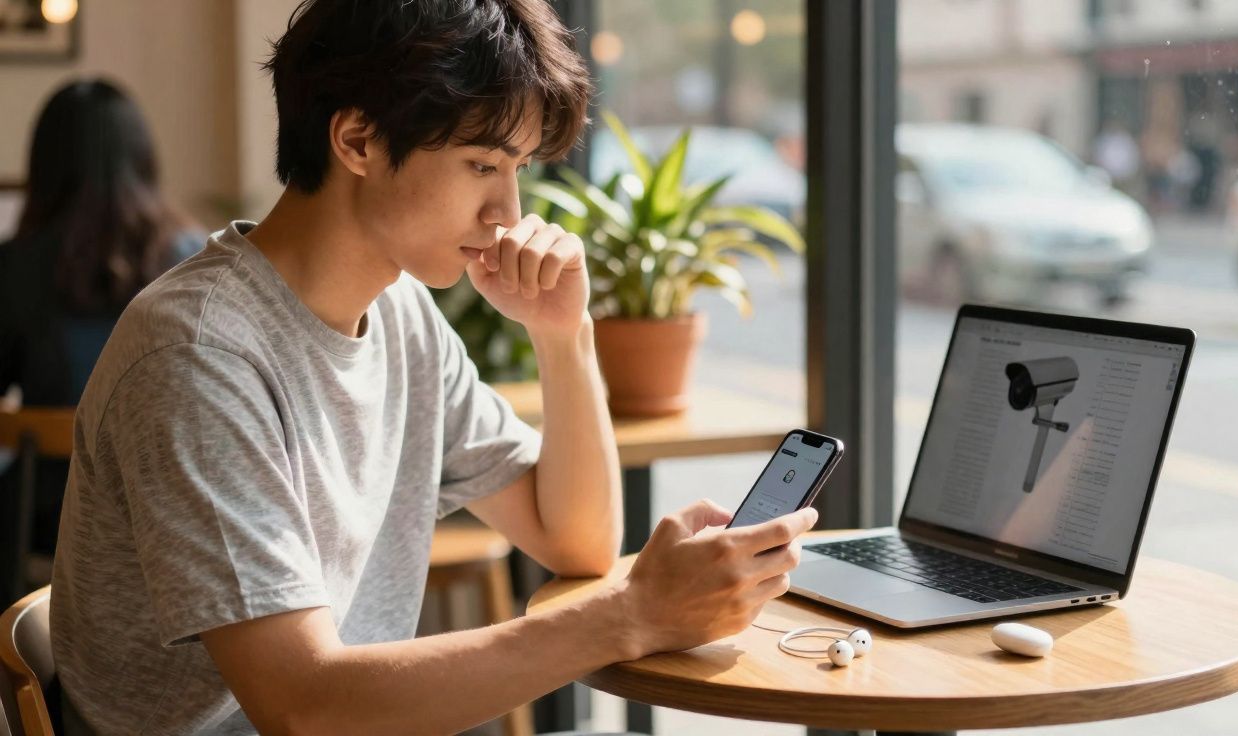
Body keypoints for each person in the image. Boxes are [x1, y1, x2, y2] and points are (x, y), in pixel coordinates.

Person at [49, 1, 817, 734]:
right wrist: (632, 615)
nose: (508, 213)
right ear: (357, 141)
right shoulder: (199, 354)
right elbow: (303, 710)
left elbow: (574, 539)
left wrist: (563, 335)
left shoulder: (401, 314)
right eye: (482, 164)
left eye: (518, 168)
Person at [0, 79, 204, 569]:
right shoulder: (195, 258)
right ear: (142, 158)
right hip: (173, 509)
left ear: (44, 168)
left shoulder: (14, 264)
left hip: (46, 518)